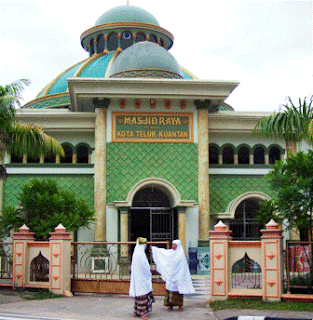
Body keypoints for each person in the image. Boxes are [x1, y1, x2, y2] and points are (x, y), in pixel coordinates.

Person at [151, 239, 195, 311]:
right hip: (171, 275)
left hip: (178, 276)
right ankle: (170, 306)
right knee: (170, 290)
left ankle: (180, 306)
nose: (173, 246)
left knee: (178, 291)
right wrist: (154, 249)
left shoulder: (180, 254)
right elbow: (163, 252)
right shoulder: (171, 253)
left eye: (174, 245)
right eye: (172, 245)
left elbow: (182, 267)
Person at [129, 237, 155, 319]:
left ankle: (136, 311)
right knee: (142, 295)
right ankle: (142, 313)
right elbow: (145, 267)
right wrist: (149, 273)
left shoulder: (136, 253)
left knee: (138, 294)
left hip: (138, 277)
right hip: (141, 278)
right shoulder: (140, 255)